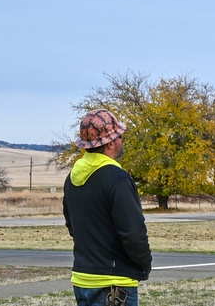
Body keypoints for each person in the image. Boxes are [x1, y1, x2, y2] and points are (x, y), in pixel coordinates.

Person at [63, 109, 152, 306]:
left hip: (82, 279)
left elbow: (72, 227)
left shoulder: (72, 178)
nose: (121, 140)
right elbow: (133, 233)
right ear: (110, 142)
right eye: (119, 136)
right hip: (114, 284)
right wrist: (144, 265)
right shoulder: (117, 179)